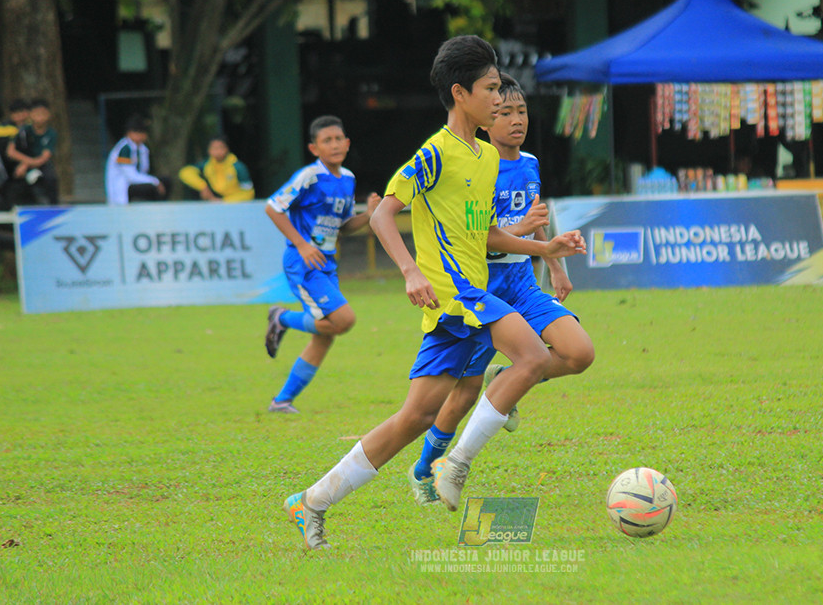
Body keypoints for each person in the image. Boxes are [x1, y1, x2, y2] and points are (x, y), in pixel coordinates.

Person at [281, 35, 586, 550]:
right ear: (460, 93)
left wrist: (544, 247)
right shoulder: (435, 152)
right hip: (454, 294)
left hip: (469, 297)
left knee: (415, 417)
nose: (499, 99)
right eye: (491, 89)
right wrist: (409, 271)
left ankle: (311, 500)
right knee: (533, 356)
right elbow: (383, 213)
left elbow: (486, 234)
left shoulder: (485, 156)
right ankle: (455, 465)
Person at [406, 73, 595, 505]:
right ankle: (425, 469)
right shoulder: (477, 166)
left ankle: (505, 377)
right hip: (481, 291)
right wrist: (524, 230)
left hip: (522, 285)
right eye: (505, 112)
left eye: (521, 111)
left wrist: (555, 265)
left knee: (579, 353)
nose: (516, 120)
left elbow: (535, 216)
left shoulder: (529, 163)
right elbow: (481, 237)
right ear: (487, 118)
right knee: (463, 393)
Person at [263, 115, 381, 413]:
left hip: (326, 263)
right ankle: (282, 318)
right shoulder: (309, 176)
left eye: (339, 139)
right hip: (303, 261)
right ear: (314, 148)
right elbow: (273, 208)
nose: (335, 144)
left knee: (326, 335)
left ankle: (282, 401)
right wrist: (302, 245)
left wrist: (369, 215)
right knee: (344, 320)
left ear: (348, 143)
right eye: (327, 141)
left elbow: (343, 226)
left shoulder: (348, 179)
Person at [3, 99, 59, 205]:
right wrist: (25, 162)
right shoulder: (23, 131)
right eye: (37, 114)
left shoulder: (51, 133)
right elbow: (11, 151)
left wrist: (26, 164)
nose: (40, 118)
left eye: (43, 114)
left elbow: (44, 157)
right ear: (31, 115)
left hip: (39, 165)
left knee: (50, 178)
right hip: (21, 164)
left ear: (48, 115)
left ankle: (53, 207)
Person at [105, 114, 169, 205]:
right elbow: (131, 176)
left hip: (135, 181)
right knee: (152, 187)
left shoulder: (142, 149)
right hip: (125, 186)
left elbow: (144, 171)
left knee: (166, 181)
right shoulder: (125, 149)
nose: (141, 135)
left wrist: (155, 181)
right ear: (129, 133)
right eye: (137, 132)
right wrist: (154, 181)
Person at [178, 136, 255, 202]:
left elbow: (248, 193)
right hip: (215, 203)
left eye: (220, 148)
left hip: (235, 204)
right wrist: (202, 186)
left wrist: (224, 201)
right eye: (214, 148)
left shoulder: (238, 167)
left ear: (227, 149)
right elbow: (185, 172)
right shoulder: (206, 165)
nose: (217, 151)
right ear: (209, 150)